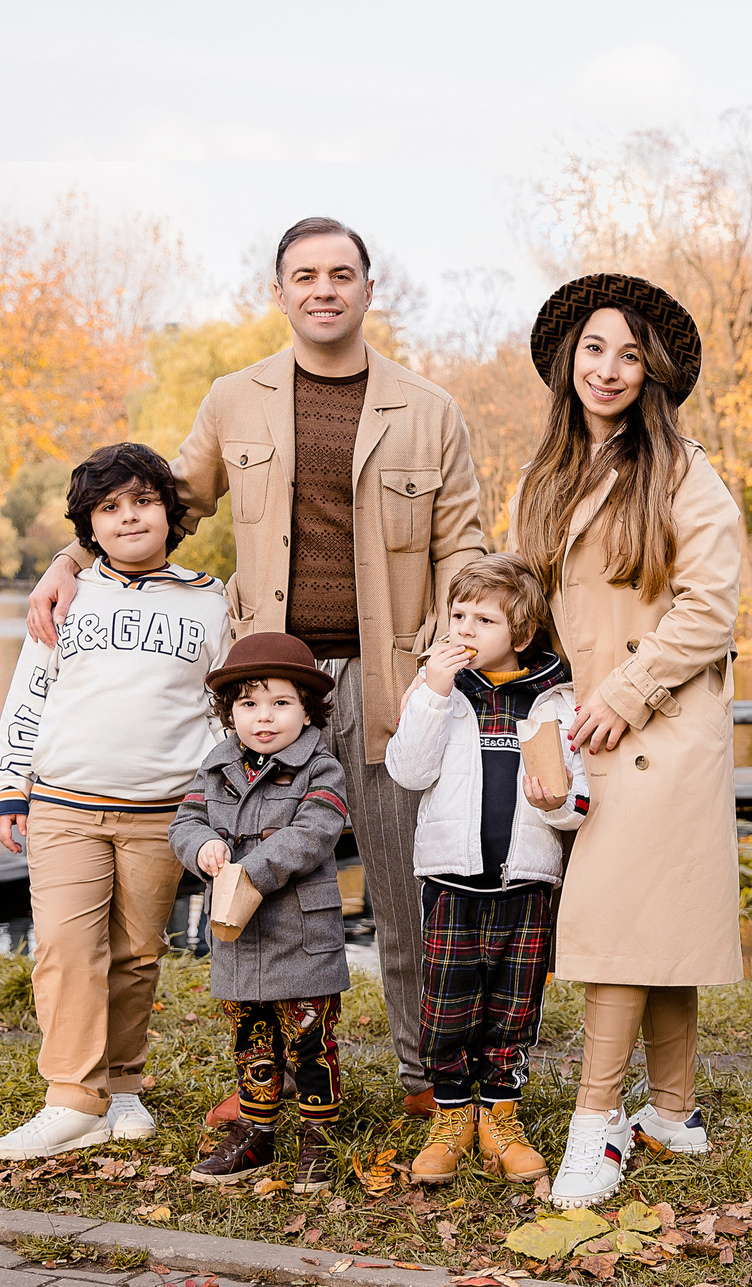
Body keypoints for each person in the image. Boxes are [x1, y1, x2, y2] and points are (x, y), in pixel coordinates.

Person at [26, 217, 488, 1122]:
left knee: (405, 890)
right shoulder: (235, 399)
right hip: (270, 693)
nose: (324, 288)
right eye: (304, 275)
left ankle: (425, 1076)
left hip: (392, 685)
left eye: (341, 274)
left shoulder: (430, 411)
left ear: (368, 288)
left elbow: (463, 551)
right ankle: (263, 1081)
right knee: (262, 889)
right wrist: (71, 560)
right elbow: (165, 507)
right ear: (278, 293)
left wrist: (448, 664)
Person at [506, 274, 745, 1210]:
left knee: (611, 927)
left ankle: (595, 1125)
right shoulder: (547, 475)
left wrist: (633, 689)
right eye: (595, 349)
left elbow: (709, 608)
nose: (607, 369)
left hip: (664, 727)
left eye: (629, 354)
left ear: (652, 373)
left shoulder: (686, 471)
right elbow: (533, 604)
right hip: (583, 720)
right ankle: (673, 1110)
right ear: (571, 360)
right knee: (660, 922)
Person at [0, 444, 229, 1161]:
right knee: (65, 948)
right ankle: (69, 1098)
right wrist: (8, 782)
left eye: (143, 502)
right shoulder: (68, 594)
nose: (129, 517)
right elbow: (31, 689)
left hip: (163, 810)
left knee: (135, 953)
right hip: (63, 801)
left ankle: (122, 1085)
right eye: (110, 507)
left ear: (169, 512)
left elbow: (218, 710)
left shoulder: (209, 600)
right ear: (89, 524)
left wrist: (212, 797)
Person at [385, 554, 589, 1186]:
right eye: (458, 615)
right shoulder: (437, 695)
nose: (465, 628)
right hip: (450, 877)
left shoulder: (555, 698)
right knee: (447, 1004)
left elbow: (575, 800)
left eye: (484, 619)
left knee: (514, 1002)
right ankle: (450, 1116)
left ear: (521, 634)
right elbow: (409, 771)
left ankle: (500, 1113)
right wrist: (433, 694)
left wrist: (559, 806)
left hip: (527, 879)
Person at [172, 632, 354, 1191]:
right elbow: (185, 822)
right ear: (231, 712)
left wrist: (253, 865)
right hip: (237, 936)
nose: (264, 718)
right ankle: (256, 1133)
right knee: (251, 1038)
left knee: (306, 1038)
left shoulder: (320, 769)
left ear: (307, 708)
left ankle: (317, 1136)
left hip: (299, 932)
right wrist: (201, 847)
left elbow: (314, 833)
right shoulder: (217, 767)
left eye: (280, 703)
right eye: (249, 705)